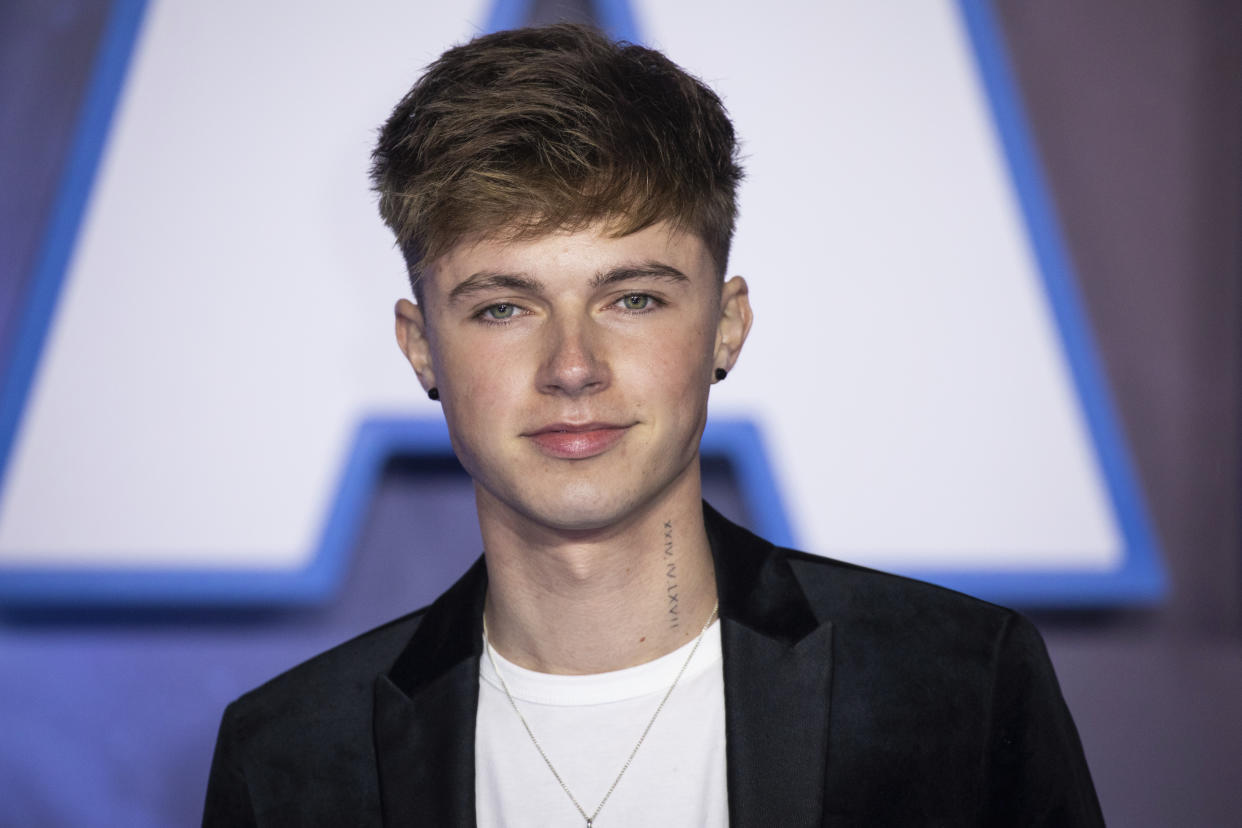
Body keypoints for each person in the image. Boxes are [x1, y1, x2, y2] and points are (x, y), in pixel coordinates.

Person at [203, 23, 1103, 827]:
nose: (572, 366)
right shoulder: (289, 757)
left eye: (633, 298)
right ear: (420, 346)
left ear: (726, 324)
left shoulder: (956, 689)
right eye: (503, 309)